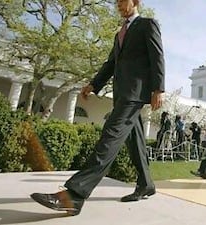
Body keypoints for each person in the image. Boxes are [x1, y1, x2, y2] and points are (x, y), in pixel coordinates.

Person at [30, 0, 165, 216]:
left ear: (135, 2)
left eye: (123, 1)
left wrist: (158, 89)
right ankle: (146, 184)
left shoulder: (147, 24)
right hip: (121, 94)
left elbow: (157, 56)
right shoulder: (119, 34)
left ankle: (75, 195)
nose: (119, 5)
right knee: (135, 141)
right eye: (117, 2)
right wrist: (94, 84)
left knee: (109, 138)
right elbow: (111, 64)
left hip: (134, 94)